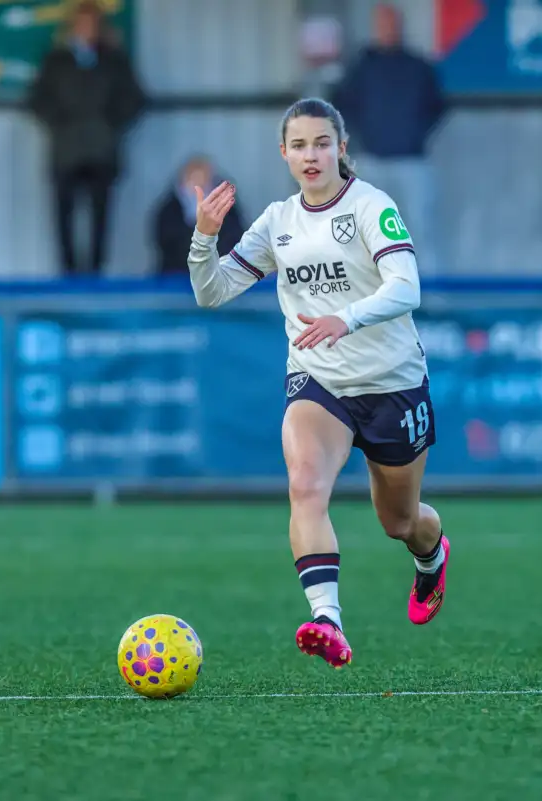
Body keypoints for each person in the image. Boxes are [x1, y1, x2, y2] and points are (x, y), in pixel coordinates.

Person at [185, 98, 448, 669]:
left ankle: (432, 556)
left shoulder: (371, 206)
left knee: (400, 522)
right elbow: (212, 291)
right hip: (319, 380)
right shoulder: (278, 221)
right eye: (299, 145)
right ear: (284, 153)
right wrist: (204, 238)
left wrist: (344, 319)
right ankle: (327, 618)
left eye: (322, 143)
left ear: (341, 148)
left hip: (392, 383)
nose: (311, 155)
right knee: (305, 484)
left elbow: (407, 287)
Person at [27, 0, 146, 276]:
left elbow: (135, 99)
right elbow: (37, 99)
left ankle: (95, 273)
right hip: (65, 150)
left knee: (100, 215)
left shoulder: (114, 60)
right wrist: (60, 122)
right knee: (64, 214)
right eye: (81, 24)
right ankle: (68, 273)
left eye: (91, 24)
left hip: (101, 150)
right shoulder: (56, 60)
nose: (86, 29)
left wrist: (108, 123)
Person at [333, 3, 445, 274]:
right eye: (383, 24)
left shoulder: (418, 66)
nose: (388, 30)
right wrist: (364, 137)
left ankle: (429, 292)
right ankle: (372, 291)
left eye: (392, 23)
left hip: (412, 161)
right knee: (368, 231)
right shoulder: (361, 67)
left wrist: (415, 134)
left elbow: (437, 107)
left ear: (401, 27)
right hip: (372, 161)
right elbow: (342, 106)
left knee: (420, 229)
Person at [153, 156, 244, 275]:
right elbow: (167, 243)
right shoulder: (169, 209)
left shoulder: (227, 207)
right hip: (176, 275)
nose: (198, 186)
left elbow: (234, 238)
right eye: (193, 180)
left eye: (202, 180)